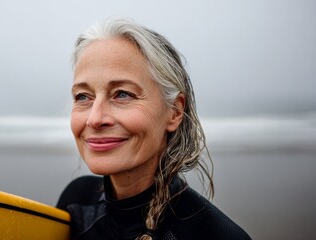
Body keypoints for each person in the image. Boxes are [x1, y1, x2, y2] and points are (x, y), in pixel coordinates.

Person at [57, 17, 251, 240]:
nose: (94, 118)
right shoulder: (77, 203)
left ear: (175, 112)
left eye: (122, 94)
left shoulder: (217, 235)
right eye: (83, 96)